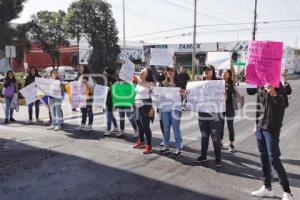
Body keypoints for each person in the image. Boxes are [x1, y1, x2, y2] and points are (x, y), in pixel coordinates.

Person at [248, 75, 294, 200]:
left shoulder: (277, 84)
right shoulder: (260, 84)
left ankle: (287, 192)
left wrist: (274, 93)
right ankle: (267, 188)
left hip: (272, 127)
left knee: (274, 158)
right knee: (263, 156)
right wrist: (256, 124)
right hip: (260, 127)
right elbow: (259, 105)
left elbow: (284, 103)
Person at [195, 65, 223, 167]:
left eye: (208, 70)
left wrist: (224, 95)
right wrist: (189, 93)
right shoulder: (199, 84)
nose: (206, 71)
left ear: (213, 71)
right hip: (202, 113)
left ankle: (218, 158)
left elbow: (224, 97)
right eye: (205, 70)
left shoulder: (219, 83)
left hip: (215, 114)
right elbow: (194, 96)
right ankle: (203, 155)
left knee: (215, 137)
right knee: (204, 136)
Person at [159, 65, 184, 157]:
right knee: (166, 128)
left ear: (175, 72)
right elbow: (159, 95)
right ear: (166, 72)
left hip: (175, 108)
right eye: (168, 71)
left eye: (172, 71)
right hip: (165, 108)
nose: (170, 72)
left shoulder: (179, 83)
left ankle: (178, 147)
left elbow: (183, 95)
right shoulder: (162, 83)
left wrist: (183, 93)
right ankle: (166, 145)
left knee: (175, 128)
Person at [133, 67, 156, 154]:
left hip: (146, 106)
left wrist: (152, 109)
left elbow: (154, 97)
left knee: (145, 126)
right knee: (139, 124)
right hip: (136, 105)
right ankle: (141, 141)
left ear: (148, 74)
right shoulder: (139, 81)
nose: (141, 72)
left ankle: (148, 145)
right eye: (141, 71)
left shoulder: (151, 83)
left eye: (144, 71)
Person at [75, 65, 95, 132]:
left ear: (85, 68)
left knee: (89, 111)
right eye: (79, 68)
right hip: (81, 96)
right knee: (83, 111)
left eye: (81, 68)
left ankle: (90, 125)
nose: (80, 69)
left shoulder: (89, 76)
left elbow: (92, 88)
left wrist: (86, 83)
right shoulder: (79, 76)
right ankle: (82, 124)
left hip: (88, 96)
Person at [220, 69, 236, 153]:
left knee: (230, 126)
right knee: (220, 126)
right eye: (223, 72)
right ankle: (220, 142)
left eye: (226, 73)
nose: (224, 74)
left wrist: (232, 64)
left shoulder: (231, 84)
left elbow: (234, 95)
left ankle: (231, 144)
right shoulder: (217, 83)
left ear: (229, 75)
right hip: (220, 108)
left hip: (229, 108)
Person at [103, 67, 119, 136]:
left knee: (109, 114)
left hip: (110, 99)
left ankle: (108, 130)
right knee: (110, 114)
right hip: (109, 99)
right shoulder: (113, 79)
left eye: (104, 71)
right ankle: (115, 127)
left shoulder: (109, 79)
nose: (103, 72)